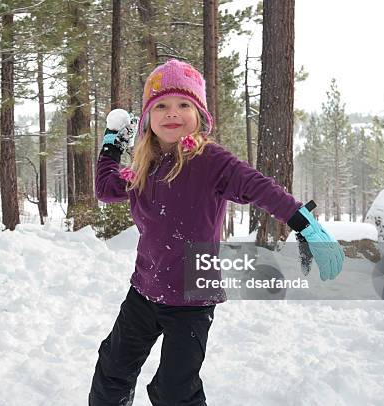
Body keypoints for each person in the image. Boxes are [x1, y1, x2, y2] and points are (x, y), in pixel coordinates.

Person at [89, 59, 344, 406]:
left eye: (183, 104)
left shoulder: (210, 161)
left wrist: (304, 223)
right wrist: (112, 142)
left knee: (176, 391)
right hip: (144, 292)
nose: (171, 113)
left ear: (199, 114)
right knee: (111, 372)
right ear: (148, 117)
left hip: (192, 298)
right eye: (160, 105)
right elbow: (106, 188)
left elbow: (261, 188)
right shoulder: (143, 166)